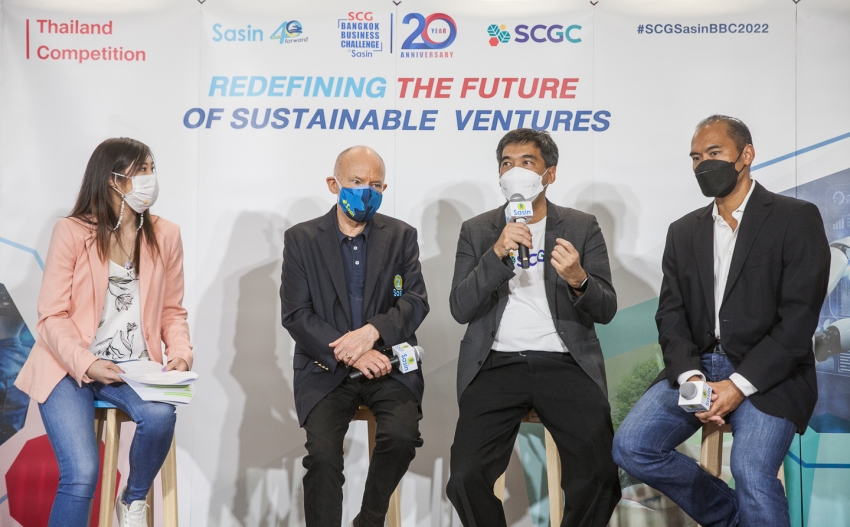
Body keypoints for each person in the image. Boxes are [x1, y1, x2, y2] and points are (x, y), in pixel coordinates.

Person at [613, 115, 830, 526]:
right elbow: (671, 314)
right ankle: (731, 517)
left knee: (751, 471)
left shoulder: (795, 217)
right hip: (698, 367)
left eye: (714, 153)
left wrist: (737, 385)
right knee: (632, 446)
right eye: (696, 157)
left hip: (770, 374)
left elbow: (799, 319)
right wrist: (692, 379)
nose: (703, 164)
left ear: (746, 155)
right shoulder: (683, 231)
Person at [14, 138, 194, 527]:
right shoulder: (72, 231)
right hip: (66, 366)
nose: (150, 178)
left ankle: (133, 499)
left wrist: (180, 352)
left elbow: (172, 310)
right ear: (112, 179)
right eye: (140, 169)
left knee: (161, 416)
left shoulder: (166, 234)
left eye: (151, 168)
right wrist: (88, 363)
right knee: (82, 472)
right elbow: (51, 315)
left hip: (132, 368)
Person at [446, 128, 621, 527]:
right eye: (507, 163)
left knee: (599, 476)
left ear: (549, 174)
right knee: (466, 478)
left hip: (564, 362)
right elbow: (460, 307)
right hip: (495, 363)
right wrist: (496, 254)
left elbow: (606, 308)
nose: (515, 172)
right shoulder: (478, 230)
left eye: (527, 163)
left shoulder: (581, 226)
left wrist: (579, 279)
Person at [280, 146, 429, 527]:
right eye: (357, 182)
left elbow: (415, 301)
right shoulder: (301, 239)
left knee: (402, 436)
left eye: (375, 185)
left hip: (389, 365)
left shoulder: (401, 235)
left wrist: (373, 332)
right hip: (325, 367)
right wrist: (354, 353)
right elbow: (296, 315)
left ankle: (370, 520)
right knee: (323, 456)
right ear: (334, 184)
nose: (367, 192)